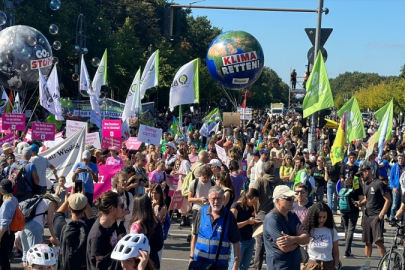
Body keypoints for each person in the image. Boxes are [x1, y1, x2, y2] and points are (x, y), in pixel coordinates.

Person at [190, 186, 241, 270]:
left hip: (219, 266)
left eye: (219, 198)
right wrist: (191, 257)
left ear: (224, 198)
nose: (216, 202)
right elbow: (194, 236)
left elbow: (236, 242)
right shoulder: (201, 212)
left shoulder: (229, 216)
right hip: (199, 263)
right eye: (213, 199)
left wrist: (235, 265)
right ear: (209, 198)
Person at [354, 165, 392, 270]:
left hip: (376, 216)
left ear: (367, 171)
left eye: (362, 174)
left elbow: (388, 200)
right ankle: (367, 265)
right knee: (368, 242)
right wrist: (360, 203)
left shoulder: (379, 183)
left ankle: (385, 265)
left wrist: (381, 214)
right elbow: (367, 198)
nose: (361, 176)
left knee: (378, 242)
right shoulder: (365, 184)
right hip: (367, 216)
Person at [263, 185, 309, 270]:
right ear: (277, 200)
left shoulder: (292, 214)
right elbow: (285, 248)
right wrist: (299, 239)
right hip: (279, 267)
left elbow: (306, 239)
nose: (292, 200)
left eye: (292, 197)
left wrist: (292, 239)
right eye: (288, 198)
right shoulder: (271, 218)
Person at [252, 161, 284, 270]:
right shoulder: (279, 181)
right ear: (273, 170)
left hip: (262, 213)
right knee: (275, 244)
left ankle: (257, 267)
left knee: (259, 245)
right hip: (276, 214)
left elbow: (254, 197)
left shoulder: (260, 180)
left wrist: (255, 212)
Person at [87, 190, 125, 270]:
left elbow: (121, 243)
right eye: (121, 206)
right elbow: (102, 266)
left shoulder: (112, 222)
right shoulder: (97, 236)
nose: (124, 208)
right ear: (113, 209)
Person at [21, 194, 61, 267]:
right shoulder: (50, 203)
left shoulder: (39, 201)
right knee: (36, 256)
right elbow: (50, 223)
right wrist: (54, 237)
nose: (56, 208)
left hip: (24, 226)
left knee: (26, 255)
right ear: (55, 202)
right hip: (35, 228)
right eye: (57, 206)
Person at [56, 193, 94, 270]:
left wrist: (68, 200)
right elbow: (92, 217)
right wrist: (83, 199)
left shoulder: (62, 225)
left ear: (69, 207)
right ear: (85, 208)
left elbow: (58, 214)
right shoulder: (90, 225)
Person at [228, 188, 260, 270]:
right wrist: (247, 222)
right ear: (248, 198)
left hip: (250, 240)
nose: (254, 204)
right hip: (239, 241)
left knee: (245, 267)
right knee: (234, 265)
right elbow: (232, 226)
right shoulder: (236, 206)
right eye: (253, 201)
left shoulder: (250, 207)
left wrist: (255, 223)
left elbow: (250, 220)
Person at [130, 194, 164, 269]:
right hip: (154, 259)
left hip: (140, 262)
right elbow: (160, 244)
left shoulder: (136, 226)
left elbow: (132, 248)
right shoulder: (156, 221)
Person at [302, 202, 339, 270]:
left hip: (328, 265)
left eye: (324, 217)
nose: (322, 220)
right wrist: (302, 264)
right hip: (311, 265)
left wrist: (336, 266)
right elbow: (301, 249)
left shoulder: (332, 231)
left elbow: (336, 251)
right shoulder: (308, 230)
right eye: (319, 217)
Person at [341, 173, 363, 258]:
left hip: (343, 210)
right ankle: (347, 251)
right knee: (350, 230)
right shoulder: (357, 188)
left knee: (346, 228)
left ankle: (348, 249)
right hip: (353, 210)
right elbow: (361, 200)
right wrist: (363, 211)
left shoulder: (344, 185)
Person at [0, 179, 18, 270]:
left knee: (3, 259)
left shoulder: (7, 202)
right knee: (5, 258)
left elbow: (4, 223)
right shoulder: (14, 199)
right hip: (11, 232)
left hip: (5, 233)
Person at [389, 153, 404, 220]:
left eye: (402, 158)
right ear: (397, 159)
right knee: (394, 204)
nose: (401, 160)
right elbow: (391, 178)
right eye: (399, 158)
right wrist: (393, 187)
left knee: (402, 205)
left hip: (403, 188)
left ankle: (401, 219)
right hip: (396, 188)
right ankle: (392, 218)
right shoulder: (394, 167)